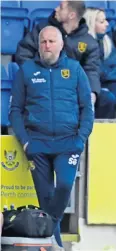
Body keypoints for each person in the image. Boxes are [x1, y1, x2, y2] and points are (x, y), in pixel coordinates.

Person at [10, 26, 94, 250]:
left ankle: (48, 233)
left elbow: (87, 108)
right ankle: (54, 244)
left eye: (51, 41)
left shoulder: (75, 70)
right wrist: (26, 141)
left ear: (61, 45)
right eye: (43, 42)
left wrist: (81, 138)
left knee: (65, 185)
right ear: (38, 45)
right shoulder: (26, 71)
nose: (47, 46)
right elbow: (15, 111)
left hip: (68, 143)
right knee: (45, 197)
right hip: (37, 144)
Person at [15, 0, 116, 119]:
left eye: (61, 7)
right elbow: (23, 53)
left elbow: (92, 70)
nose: (56, 9)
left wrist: (92, 92)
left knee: (107, 99)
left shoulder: (88, 41)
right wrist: (38, 76)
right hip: (45, 82)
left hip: (73, 88)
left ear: (71, 15)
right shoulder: (42, 30)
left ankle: (94, 135)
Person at [83, 7, 116, 119]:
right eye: (102, 22)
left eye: (106, 20)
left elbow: (114, 65)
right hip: (89, 84)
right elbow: (98, 71)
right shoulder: (83, 44)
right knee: (113, 90)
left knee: (114, 86)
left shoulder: (106, 41)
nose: (107, 24)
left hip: (106, 82)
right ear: (91, 23)